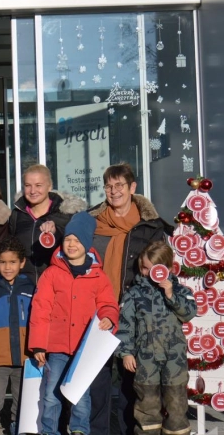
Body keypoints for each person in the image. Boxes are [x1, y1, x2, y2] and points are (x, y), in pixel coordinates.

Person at [88, 163, 173, 435]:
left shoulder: (150, 227)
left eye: (119, 186)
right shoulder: (92, 223)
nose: (114, 192)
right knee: (97, 380)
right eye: (109, 186)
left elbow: (161, 266)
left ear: (132, 188)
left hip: (134, 313)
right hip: (99, 310)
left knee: (130, 381)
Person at [29, 212, 119, 435]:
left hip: (84, 347)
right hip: (57, 346)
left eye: (77, 240)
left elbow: (108, 302)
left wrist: (108, 317)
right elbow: (40, 309)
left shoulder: (98, 276)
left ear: (87, 244)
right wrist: (39, 345)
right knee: (51, 394)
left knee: (80, 394)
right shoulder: (51, 274)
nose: (71, 244)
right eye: (68, 239)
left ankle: (79, 430)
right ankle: (49, 431)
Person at [116, 241, 196, 435]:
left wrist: (170, 295)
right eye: (144, 268)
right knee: (147, 406)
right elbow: (125, 325)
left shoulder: (181, 291)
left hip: (174, 359)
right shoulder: (134, 294)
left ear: (167, 268)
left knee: (176, 405)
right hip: (146, 359)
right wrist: (126, 353)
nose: (146, 273)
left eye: (153, 269)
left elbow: (189, 313)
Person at [0, 237, 35, 435]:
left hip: (25, 357)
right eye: (3, 262)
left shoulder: (31, 289)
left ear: (22, 263)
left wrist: (38, 350)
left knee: (22, 399)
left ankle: (18, 427)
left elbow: (39, 321)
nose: (7, 267)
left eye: (12, 262)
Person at [8, 164, 86, 283]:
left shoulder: (65, 214)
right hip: (23, 286)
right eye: (28, 186)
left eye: (38, 185)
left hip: (56, 285)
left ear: (49, 186)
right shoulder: (16, 215)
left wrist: (56, 233)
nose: (33, 191)